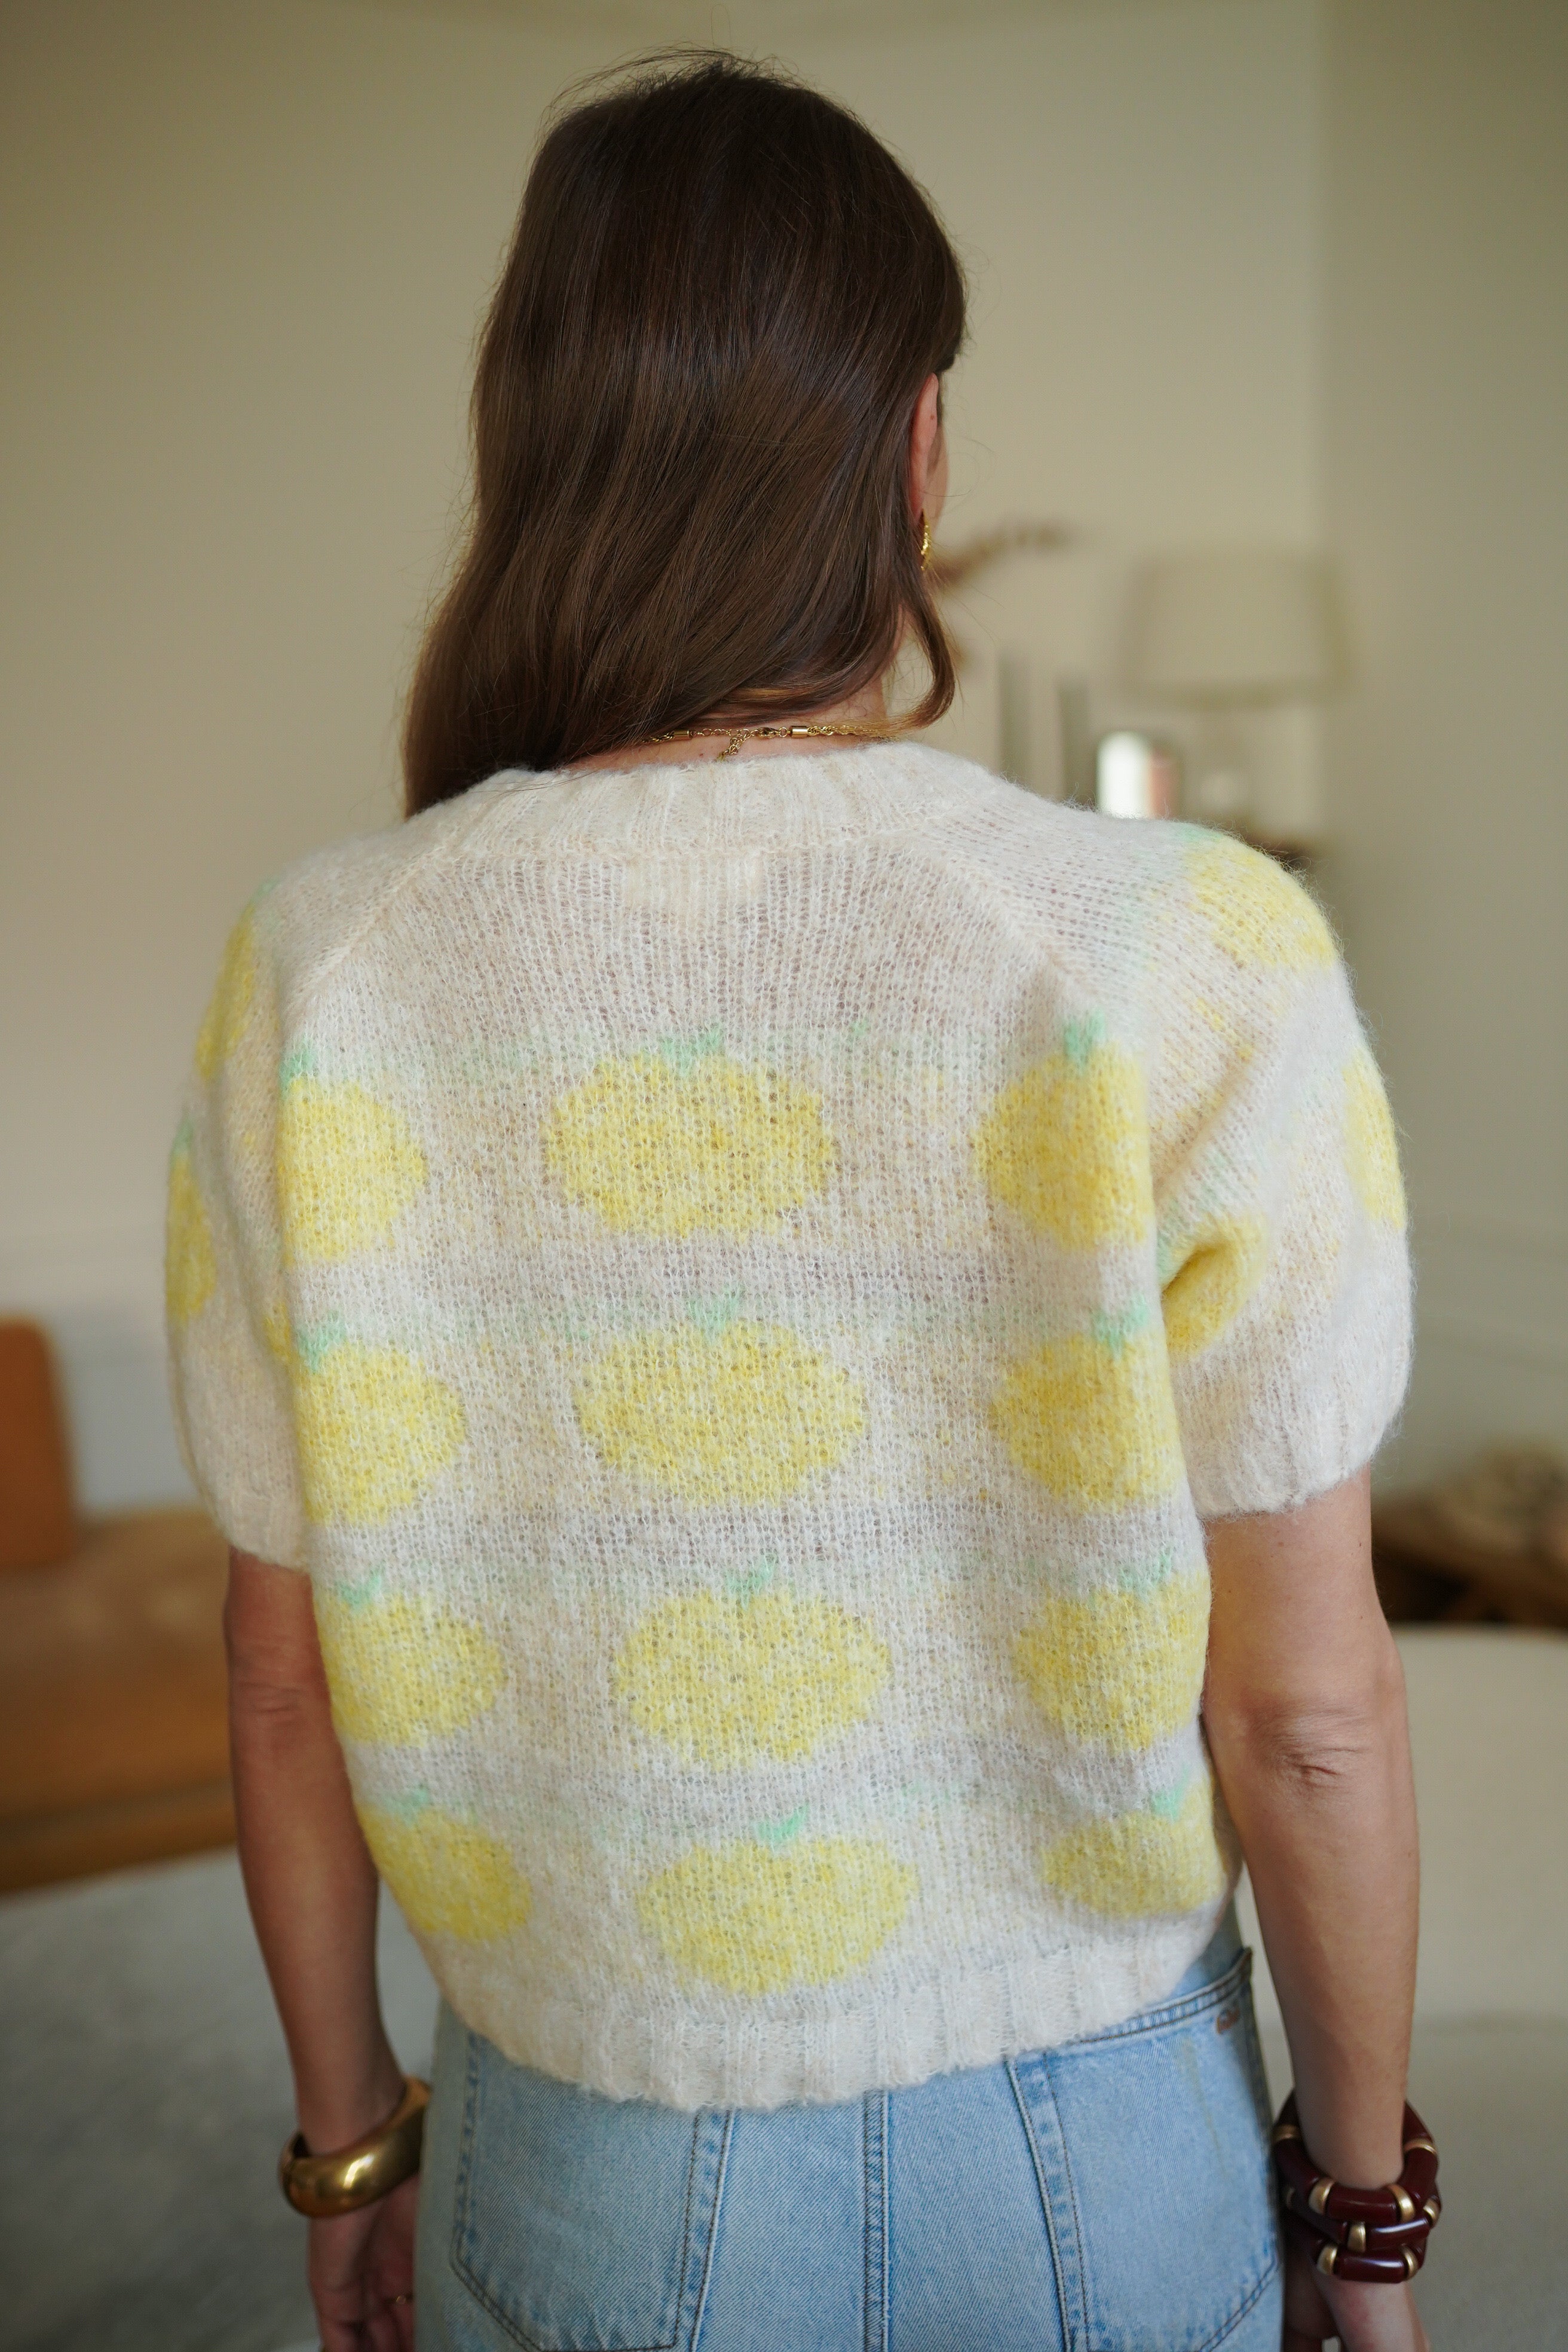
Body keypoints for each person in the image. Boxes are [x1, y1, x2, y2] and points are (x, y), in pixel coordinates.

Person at [168, 53, 1430, 2352]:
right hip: (1096, 2143)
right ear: (918, 448)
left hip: (580, 2138)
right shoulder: (1187, 948)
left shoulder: (321, 973)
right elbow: (1311, 1716)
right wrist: (1370, 2219)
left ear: (532, 448)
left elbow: (281, 1681)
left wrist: (348, 2145)